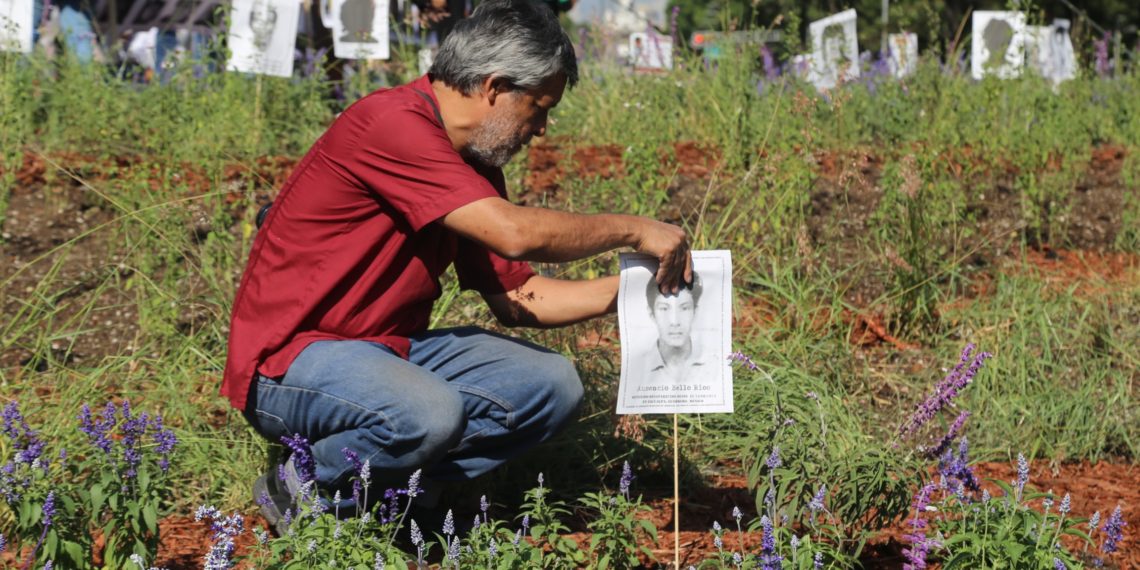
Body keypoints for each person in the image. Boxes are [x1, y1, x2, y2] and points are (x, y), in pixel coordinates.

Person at [220, 0, 691, 529]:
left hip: (383, 354)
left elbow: (519, 298)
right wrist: (633, 229)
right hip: (293, 362)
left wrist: (639, 289)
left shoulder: (472, 165)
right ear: (494, 88)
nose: (541, 130)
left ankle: (402, 495)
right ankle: (308, 487)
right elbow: (514, 235)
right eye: (538, 107)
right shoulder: (390, 122)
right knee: (426, 413)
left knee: (553, 385)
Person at [633, 273, 706, 385]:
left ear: (695, 312)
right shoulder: (637, 367)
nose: (674, 322)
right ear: (652, 314)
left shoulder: (715, 363)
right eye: (664, 309)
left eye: (685, 308)